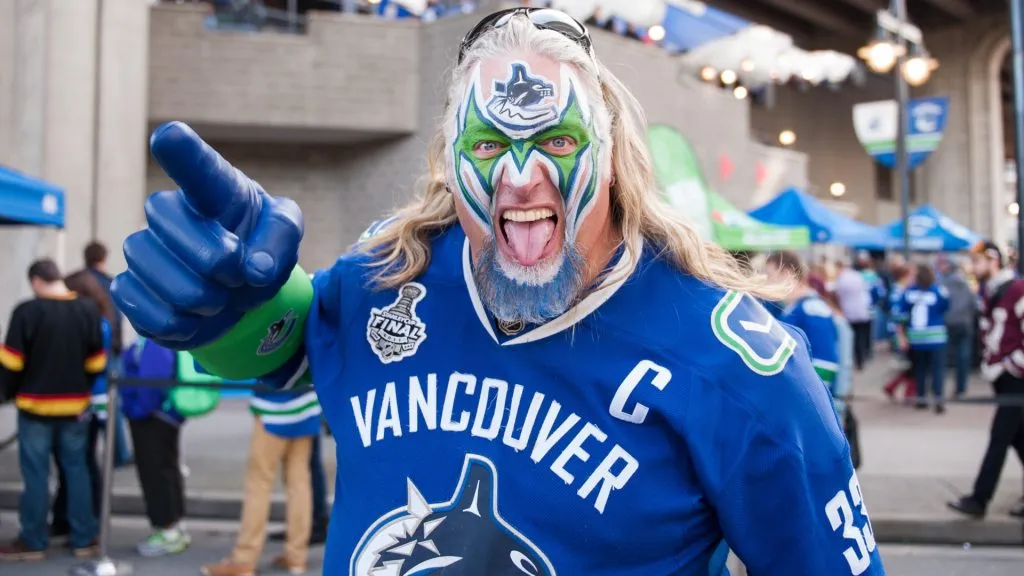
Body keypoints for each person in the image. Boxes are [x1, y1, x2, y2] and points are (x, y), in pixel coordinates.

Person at [111, 8, 885, 575]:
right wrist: (235, 316)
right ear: (451, 163)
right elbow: (289, 364)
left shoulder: (736, 368)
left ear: (612, 156)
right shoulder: (385, 282)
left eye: (555, 141)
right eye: (489, 144)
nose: (520, 176)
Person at [0, 260, 103, 561]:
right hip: (75, 408)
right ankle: (84, 538)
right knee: (77, 471)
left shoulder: (27, 312)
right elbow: (96, 363)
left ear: (35, 282)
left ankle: (33, 541)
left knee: (36, 475)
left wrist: (8, 392)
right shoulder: (87, 310)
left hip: (34, 409)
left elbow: (11, 363)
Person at [199, 379, 322, 575]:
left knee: (259, 484)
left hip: (272, 408)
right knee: (300, 484)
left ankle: (244, 559)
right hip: (307, 406)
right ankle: (297, 556)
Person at [948, 241, 1024, 519]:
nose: (973, 266)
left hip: (1016, 377)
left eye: (978, 261)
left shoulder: (1017, 290)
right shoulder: (990, 291)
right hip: (1002, 375)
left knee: (1000, 438)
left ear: (993, 261)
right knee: (1016, 437)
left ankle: (979, 499)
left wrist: (1010, 365)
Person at [51, 271, 114, 542]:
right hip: (95, 397)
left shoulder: (92, 322)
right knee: (84, 461)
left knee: (83, 463)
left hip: (88, 398)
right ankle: (77, 519)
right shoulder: (102, 320)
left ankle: (85, 521)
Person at [120, 336, 192, 556]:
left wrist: (137, 410)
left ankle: (167, 530)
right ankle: (175, 527)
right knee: (167, 469)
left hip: (152, 418)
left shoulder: (153, 339)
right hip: (162, 416)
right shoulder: (161, 337)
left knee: (155, 473)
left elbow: (153, 380)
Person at [75, 241, 133, 469]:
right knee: (111, 404)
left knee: (87, 402)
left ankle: (85, 453)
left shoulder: (76, 281)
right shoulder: (110, 284)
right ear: (103, 258)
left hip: (81, 352)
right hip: (107, 351)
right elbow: (116, 320)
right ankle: (117, 453)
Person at [764, 252, 841, 405]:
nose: (766, 282)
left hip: (808, 400)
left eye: (769, 276)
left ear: (786, 274)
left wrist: (811, 399)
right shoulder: (792, 307)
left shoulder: (812, 308)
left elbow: (826, 363)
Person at [895, 263, 950, 413]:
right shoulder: (938, 290)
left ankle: (921, 398)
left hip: (917, 337)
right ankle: (938, 399)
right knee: (937, 370)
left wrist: (901, 336)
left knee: (920, 369)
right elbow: (946, 307)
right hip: (936, 336)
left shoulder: (909, 292)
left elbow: (900, 315)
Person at [937, 256, 977, 399]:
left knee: (942, 359)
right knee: (963, 358)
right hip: (964, 323)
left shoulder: (942, 283)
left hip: (947, 324)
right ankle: (960, 389)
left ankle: (939, 390)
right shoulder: (966, 283)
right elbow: (974, 304)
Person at [883, 264, 917, 402]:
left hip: (901, 332)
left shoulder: (900, 289)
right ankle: (906, 391)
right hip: (900, 332)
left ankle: (894, 386)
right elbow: (897, 315)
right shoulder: (899, 291)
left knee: (912, 363)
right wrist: (900, 335)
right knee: (912, 364)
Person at [834, 257, 873, 371]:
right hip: (862, 311)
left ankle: (853, 361)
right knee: (861, 337)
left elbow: (838, 295)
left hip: (849, 313)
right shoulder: (857, 276)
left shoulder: (841, 279)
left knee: (851, 338)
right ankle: (862, 359)